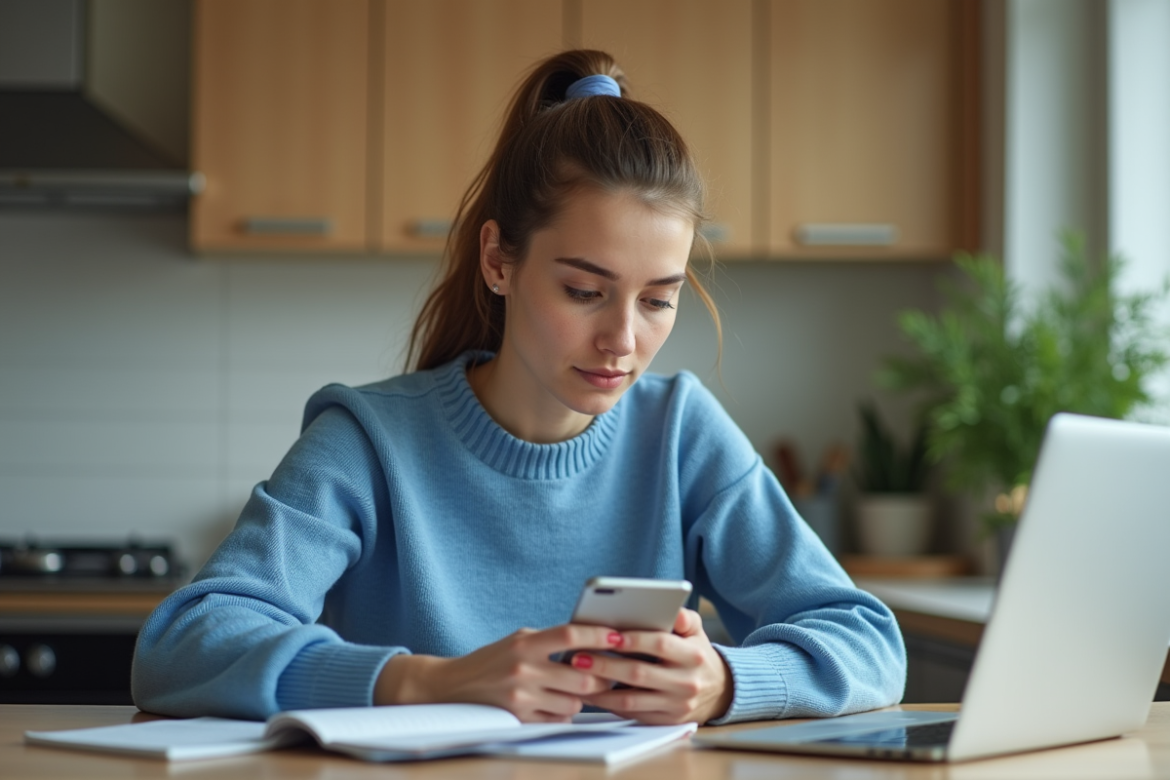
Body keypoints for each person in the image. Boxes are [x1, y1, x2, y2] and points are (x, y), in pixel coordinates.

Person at [132, 49, 905, 726]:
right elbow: (179, 646)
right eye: (583, 290)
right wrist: (423, 681)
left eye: (658, 299)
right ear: (499, 260)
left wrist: (727, 681)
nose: (624, 340)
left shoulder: (681, 434)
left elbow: (867, 641)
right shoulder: (367, 440)